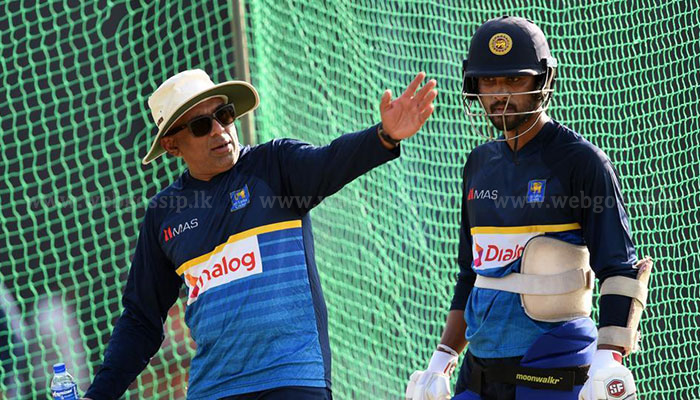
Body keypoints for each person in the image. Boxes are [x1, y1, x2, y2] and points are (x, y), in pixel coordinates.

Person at [84, 68, 437, 400]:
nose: (219, 130)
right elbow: (141, 320)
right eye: (201, 125)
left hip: (293, 376)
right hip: (213, 389)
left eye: (224, 115)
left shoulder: (275, 165)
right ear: (173, 145)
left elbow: (332, 160)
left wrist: (383, 136)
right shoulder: (164, 213)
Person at [405, 17, 651, 400]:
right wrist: (443, 359)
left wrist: (608, 358)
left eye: (514, 80)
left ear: (544, 81)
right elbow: (470, 275)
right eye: (489, 82)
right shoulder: (478, 164)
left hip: (555, 369)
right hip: (479, 374)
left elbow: (619, 270)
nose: (500, 94)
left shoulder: (581, 162)